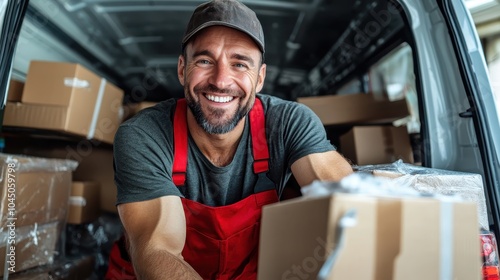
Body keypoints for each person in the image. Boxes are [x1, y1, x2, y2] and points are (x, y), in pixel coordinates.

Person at [105, 0, 353, 279]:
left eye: (239, 63)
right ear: (181, 69)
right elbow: (157, 249)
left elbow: (346, 197)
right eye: (205, 61)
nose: (221, 80)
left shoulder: (288, 123)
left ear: (259, 79)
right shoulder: (143, 136)